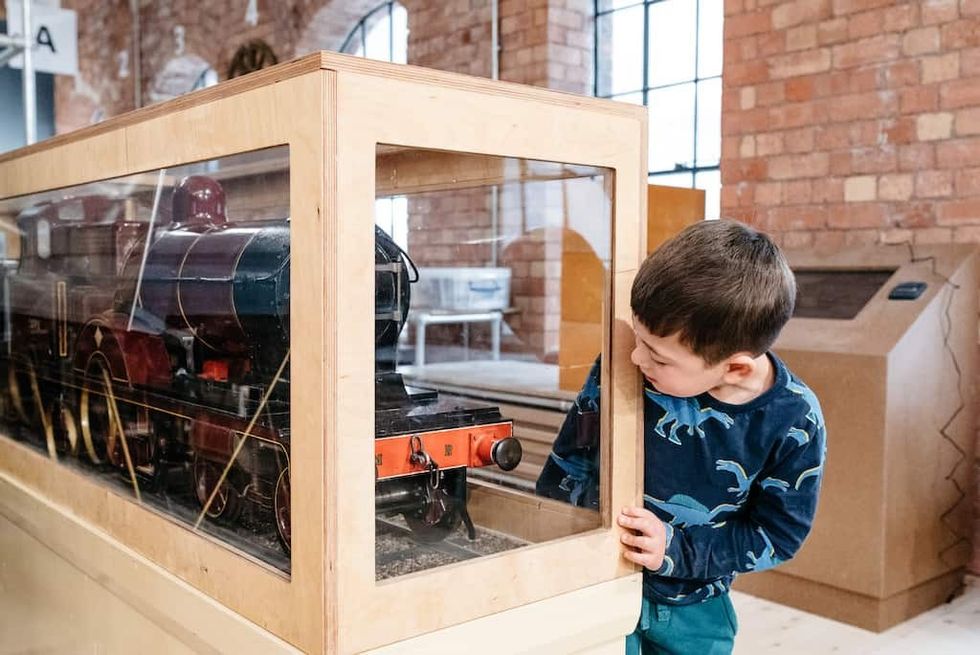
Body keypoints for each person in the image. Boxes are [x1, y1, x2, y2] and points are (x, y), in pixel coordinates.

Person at [536, 219, 826, 654]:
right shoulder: (628, 361)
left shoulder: (795, 421)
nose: (636, 357)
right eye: (639, 338)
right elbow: (569, 461)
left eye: (658, 356)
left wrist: (676, 549)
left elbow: (778, 535)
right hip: (596, 585)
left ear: (736, 368)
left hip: (695, 609)